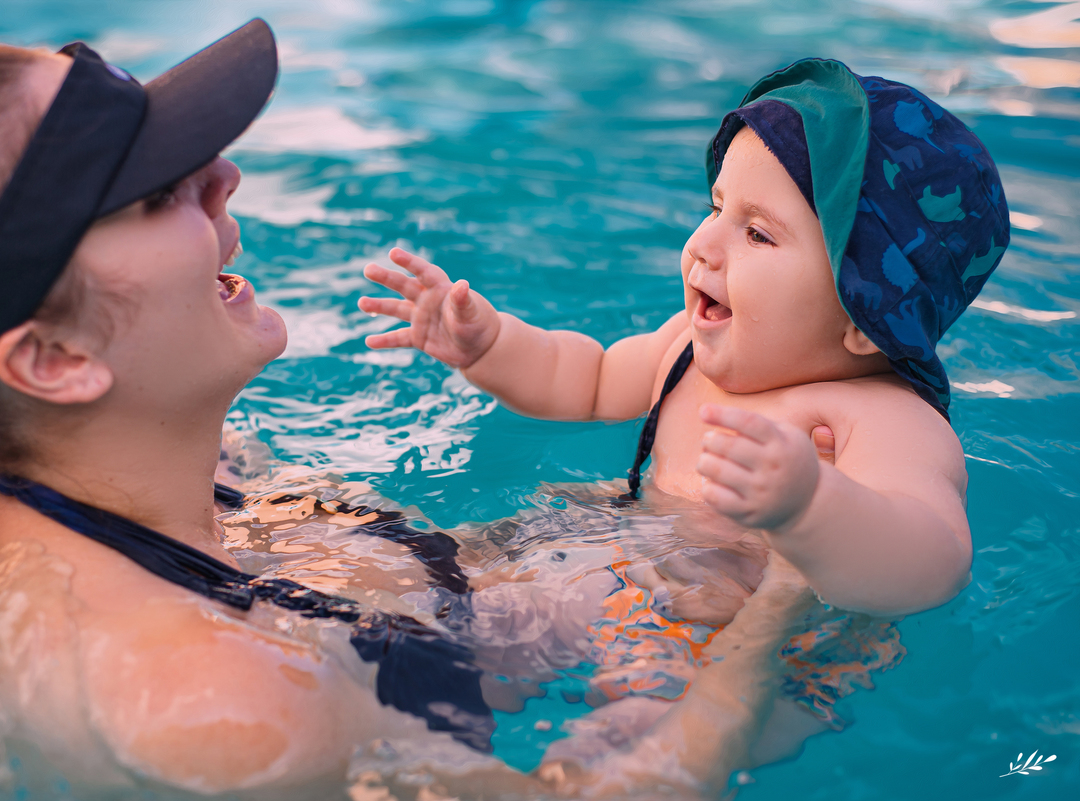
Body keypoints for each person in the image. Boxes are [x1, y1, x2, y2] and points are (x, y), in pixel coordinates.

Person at [0, 19, 815, 799]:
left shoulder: (167, 469)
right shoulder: (205, 703)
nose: (223, 177)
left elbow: (372, 604)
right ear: (52, 359)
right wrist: (775, 616)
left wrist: (650, 547)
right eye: (160, 189)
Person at [360, 58, 1011, 618]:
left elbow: (933, 562)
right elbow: (580, 380)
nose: (703, 246)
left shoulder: (882, 422)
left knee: (619, 744)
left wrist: (812, 504)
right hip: (605, 548)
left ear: (864, 315)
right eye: (715, 209)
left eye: (757, 233)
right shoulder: (685, 353)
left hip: (709, 635)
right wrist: (491, 347)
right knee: (395, 563)